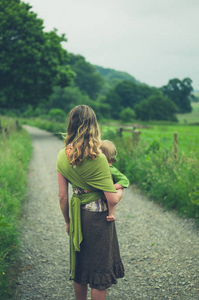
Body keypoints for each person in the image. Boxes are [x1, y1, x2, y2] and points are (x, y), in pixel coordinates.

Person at [57, 105, 125, 300]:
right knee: (99, 276)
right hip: (98, 220)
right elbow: (111, 198)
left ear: (71, 124)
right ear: (93, 126)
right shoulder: (98, 157)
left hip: (78, 217)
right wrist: (120, 191)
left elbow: (62, 197)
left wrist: (68, 222)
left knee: (80, 271)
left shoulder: (62, 155)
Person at [99, 140, 130, 222]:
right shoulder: (101, 168)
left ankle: (111, 214)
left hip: (111, 191)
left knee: (112, 202)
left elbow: (125, 180)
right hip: (105, 192)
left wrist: (114, 187)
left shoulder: (111, 170)